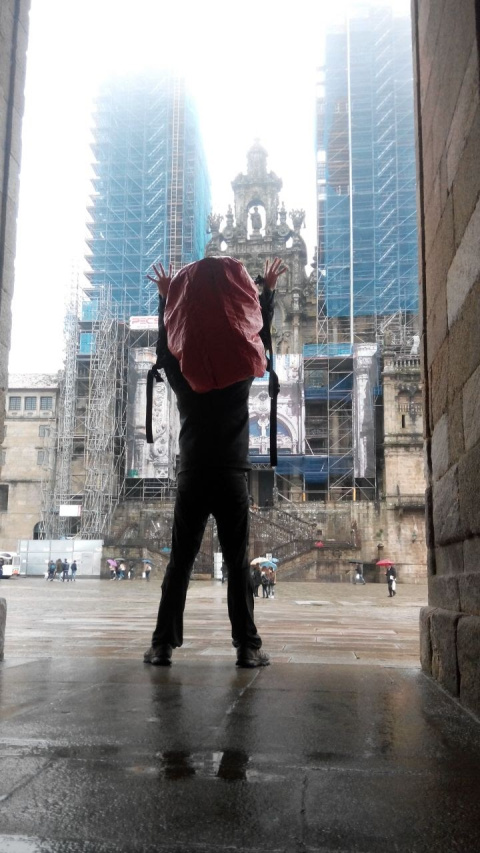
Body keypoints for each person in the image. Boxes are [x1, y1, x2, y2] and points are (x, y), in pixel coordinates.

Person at [143, 256, 286, 668]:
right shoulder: (241, 371)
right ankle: (247, 646)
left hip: (192, 475)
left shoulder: (184, 376)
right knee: (239, 564)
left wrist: (167, 300)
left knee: (181, 563)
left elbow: (167, 349)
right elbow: (257, 336)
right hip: (230, 477)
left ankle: (162, 645)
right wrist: (266, 294)